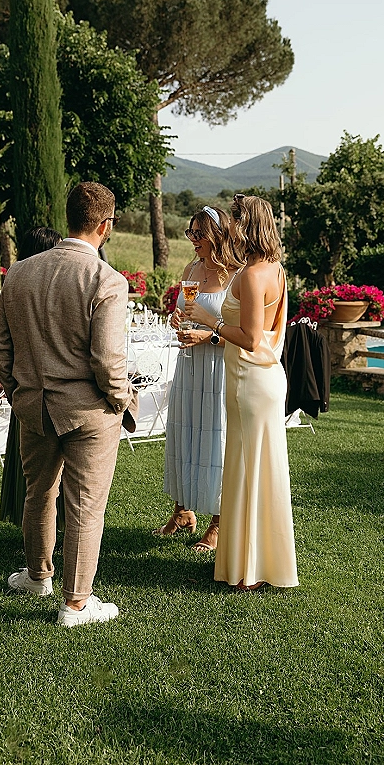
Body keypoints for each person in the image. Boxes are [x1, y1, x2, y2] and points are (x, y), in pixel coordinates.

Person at [0, 182, 138, 627]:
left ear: (69, 216)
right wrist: (121, 399)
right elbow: (108, 359)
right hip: (89, 410)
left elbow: (1, 343)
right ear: (105, 226)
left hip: (33, 406)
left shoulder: (19, 272)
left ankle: (38, 576)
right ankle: (76, 603)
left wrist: (17, 389)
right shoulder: (106, 280)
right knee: (85, 504)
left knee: (39, 494)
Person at [185, 194, 298, 591]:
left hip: (251, 380)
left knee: (250, 471)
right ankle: (258, 561)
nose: (230, 227)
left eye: (235, 220)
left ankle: (248, 569)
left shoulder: (251, 276)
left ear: (246, 225)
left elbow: (250, 338)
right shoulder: (274, 269)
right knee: (257, 471)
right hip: (259, 379)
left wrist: (209, 321)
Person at [153, 206, 243, 551]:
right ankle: (182, 511)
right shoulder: (192, 268)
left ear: (218, 236)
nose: (193, 240)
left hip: (218, 368)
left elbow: (242, 331)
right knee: (185, 432)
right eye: (190, 233)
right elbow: (184, 309)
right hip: (189, 365)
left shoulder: (236, 276)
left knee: (214, 440)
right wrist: (179, 321)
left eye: (198, 234)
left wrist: (207, 336)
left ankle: (218, 522)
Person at [0, 226, 63, 528]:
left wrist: (12, 387)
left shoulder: (13, 283)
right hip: (48, 393)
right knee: (50, 471)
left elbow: (2, 343)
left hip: (23, 391)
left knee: (30, 468)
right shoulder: (58, 289)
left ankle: (32, 524)